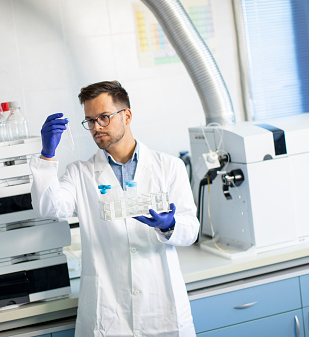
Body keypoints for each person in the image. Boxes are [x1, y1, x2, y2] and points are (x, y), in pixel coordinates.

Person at [30, 80, 199, 336]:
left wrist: (170, 225)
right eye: (90, 120)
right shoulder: (80, 173)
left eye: (104, 117)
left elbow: (191, 230)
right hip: (108, 315)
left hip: (160, 310)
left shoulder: (169, 166)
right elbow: (49, 208)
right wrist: (47, 155)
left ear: (127, 115)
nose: (96, 127)